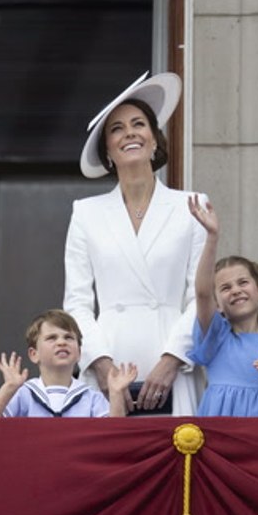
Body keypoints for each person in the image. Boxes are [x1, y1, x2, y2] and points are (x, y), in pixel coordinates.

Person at [64, 72, 208, 415]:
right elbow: (77, 301)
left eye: (138, 124)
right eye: (116, 129)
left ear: (154, 140)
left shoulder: (192, 206)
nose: (129, 132)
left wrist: (173, 359)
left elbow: (199, 297)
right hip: (110, 360)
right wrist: (100, 362)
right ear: (109, 153)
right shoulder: (86, 213)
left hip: (174, 361)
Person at [186, 196, 258, 417]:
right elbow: (202, 293)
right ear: (218, 305)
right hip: (220, 435)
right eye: (225, 288)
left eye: (243, 282)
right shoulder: (217, 337)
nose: (236, 290)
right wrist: (212, 237)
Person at [0, 309, 137, 418]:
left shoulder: (90, 397)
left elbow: (113, 437)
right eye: (51, 338)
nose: (61, 342)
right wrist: (9, 388)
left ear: (79, 354)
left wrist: (116, 394)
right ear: (34, 355)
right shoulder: (24, 394)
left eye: (68, 337)